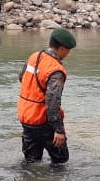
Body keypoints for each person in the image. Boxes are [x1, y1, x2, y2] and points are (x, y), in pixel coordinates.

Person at [17, 27, 76, 164]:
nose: (67, 53)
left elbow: (21, 77)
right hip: (42, 120)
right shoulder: (56, 70)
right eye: (68, 50)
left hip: (25, 115)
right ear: (61, 48)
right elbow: (52, 104)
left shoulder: (34, 57)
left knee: (32, 160)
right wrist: (59, 130)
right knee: (61, 159)